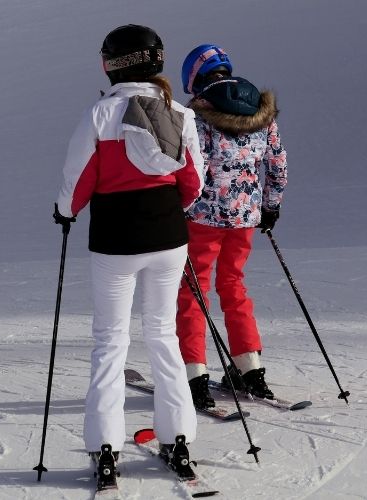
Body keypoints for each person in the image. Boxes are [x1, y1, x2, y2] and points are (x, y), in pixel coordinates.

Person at [54, 24, 205, 479]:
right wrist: (164, 208)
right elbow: (193, 183)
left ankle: (105, 449)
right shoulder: (179, 113)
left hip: (115, 240)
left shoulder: (100, 115)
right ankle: (177, 443)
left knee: (110, 341)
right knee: (163, 336)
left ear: (112, 64)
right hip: (168, 237)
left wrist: (66, 212)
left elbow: (77, 179)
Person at [175, 44, 288, 408]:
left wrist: (180, 208)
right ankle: (250, 367)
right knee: (233, 284)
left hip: (203, 218)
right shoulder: (261, 111)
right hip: (245, 218)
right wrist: (270, 205)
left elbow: (196, 168)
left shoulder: (198, 116)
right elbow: (277, 163)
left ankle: (194, 374)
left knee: (193, 290)